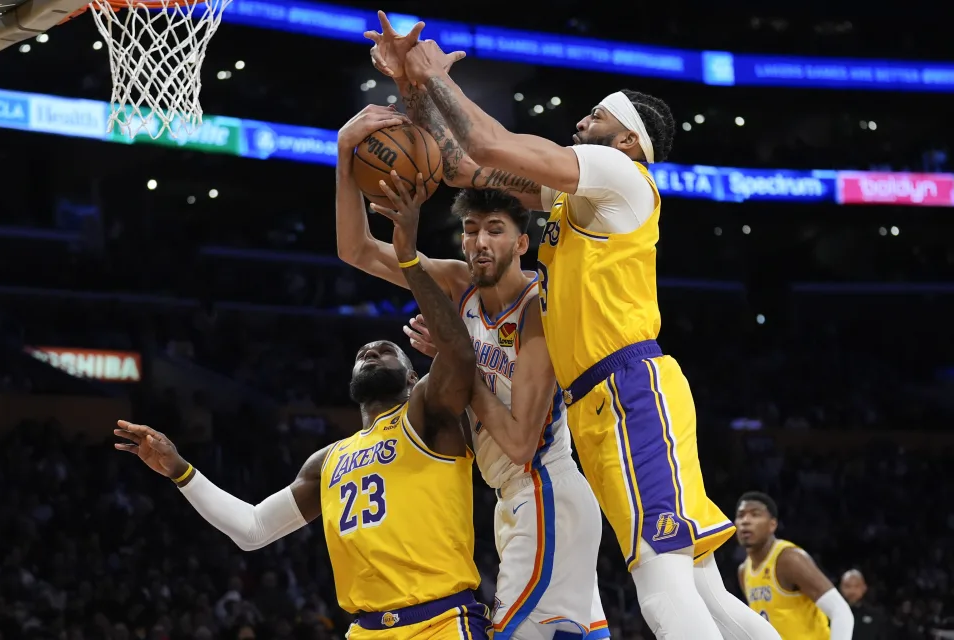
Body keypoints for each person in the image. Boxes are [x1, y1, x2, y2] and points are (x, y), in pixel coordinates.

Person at [366, 12, 780, 640]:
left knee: (662, 587)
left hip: (629, 388)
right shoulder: (573, 201)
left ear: (627, 142)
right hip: (601, 404)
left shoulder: (622, 178)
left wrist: (431, 72)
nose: (581, 122)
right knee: (702, 589)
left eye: (596, 117)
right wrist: (414, 87)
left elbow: (492, 145)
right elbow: (459, 168)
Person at [114, 174, 493, 640]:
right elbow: (252, 529)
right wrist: (180, 471)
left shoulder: (426, 413)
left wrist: (409, 256)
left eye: (385, 349)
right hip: (365, 631)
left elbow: (461, 353)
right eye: (362, 354)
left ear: (414, 375)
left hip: (441, 622)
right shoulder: (326, 462)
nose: (370, 351)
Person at [336, 101, 608, 640]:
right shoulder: (460, 283)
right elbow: (356, 250)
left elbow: (520, 442)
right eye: (471, 229)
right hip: (510, 502)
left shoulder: (539, 309)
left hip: (544, 489)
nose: (480, 243)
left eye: (496, 230)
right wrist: (344, 153)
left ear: (523, 242)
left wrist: (451, 358)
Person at [736, 492, 854, 640]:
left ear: (772, 525)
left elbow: (841, 611)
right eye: (741, 515)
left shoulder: (789, 559)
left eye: (755, 514)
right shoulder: (743, 571)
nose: (745, 521)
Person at [840, 569, 892, 640]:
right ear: (841, 588)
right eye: (847, 586)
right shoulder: (831, 615)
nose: (852, 591)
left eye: (856, 586)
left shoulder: (876, 616)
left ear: (864, 588)